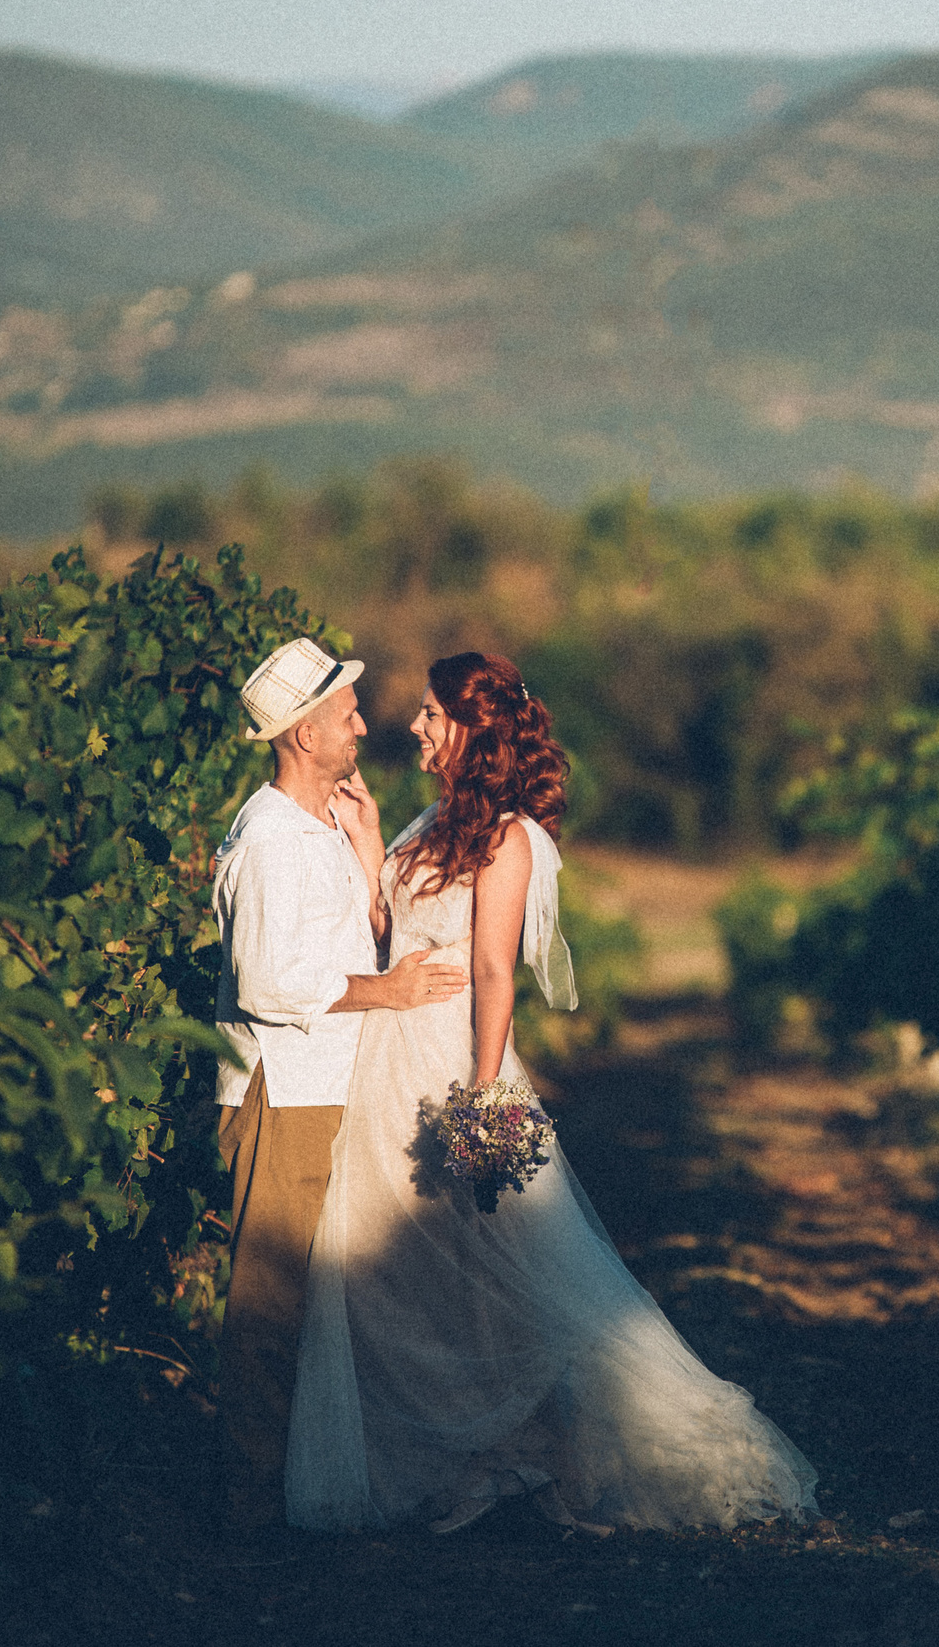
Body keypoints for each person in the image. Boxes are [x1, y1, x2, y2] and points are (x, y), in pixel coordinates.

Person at [285, 651, 818, 1534]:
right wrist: (373, 843)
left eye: (429, 713)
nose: (412, 726)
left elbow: (495, 971)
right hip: (385, 1068)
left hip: (455, 1067)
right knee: (421, 1275)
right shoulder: (427, 822)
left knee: (512, 1272)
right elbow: (391, 936)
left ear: (470, 727)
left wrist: (484, 1099)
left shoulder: (509, 836)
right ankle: (479, 1462)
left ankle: (533, 1457)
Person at [209, 636, 468, 1530]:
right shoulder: (269, 838)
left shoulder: (319, 827)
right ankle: (248, 1493)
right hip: (286, 1089)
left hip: (330, 1081)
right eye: (345, 712)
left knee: (329, 1295)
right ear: (303, 735)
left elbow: (358, 933)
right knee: (271, 1295)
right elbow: (265, 982)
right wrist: (386, 993)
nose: (363, 723)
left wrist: (365, 842)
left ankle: (304, 1481)